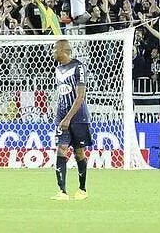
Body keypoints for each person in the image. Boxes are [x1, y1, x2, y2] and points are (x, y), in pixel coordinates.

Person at [52, 39, 91, 201]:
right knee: (61, 149)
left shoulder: (78, 67)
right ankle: (62, 191)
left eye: (55, 48)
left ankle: (82, 189)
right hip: (62, 117)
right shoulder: (57, 69)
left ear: (63, 49)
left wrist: (68, 118)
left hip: (78, 117)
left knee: (79, 152)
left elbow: (80, 96)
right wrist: (60, 115)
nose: (53, 51)